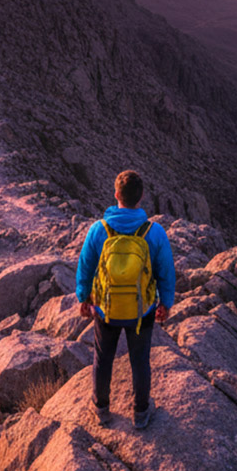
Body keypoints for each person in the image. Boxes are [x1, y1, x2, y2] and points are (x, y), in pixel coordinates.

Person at [75, 170, 175, 429]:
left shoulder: (99, 230)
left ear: (116, 195)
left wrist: (83, 297)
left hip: (105, 309)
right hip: (142, 312)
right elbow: (165, 272)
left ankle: (101, 409)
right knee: (139, 360)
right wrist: (165, 303)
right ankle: (141, 412)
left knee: (103, 358)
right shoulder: (154, 233)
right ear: (141, 197)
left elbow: (85, 267)